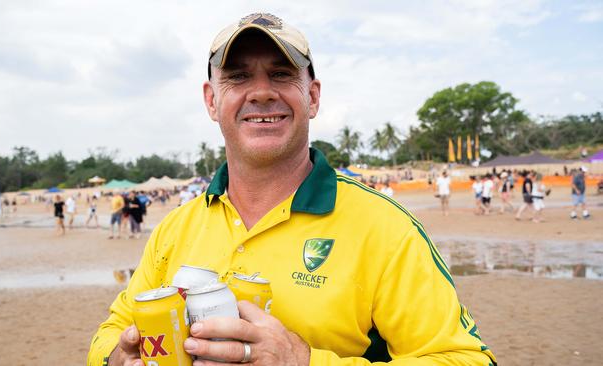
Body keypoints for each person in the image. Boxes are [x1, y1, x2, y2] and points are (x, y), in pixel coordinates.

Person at [88, 13, 495, 366]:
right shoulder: (176, 228)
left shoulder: (385, 229)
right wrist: (118, 356)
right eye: (239, 76)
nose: (262, 91)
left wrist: (302, 360)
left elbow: (467, 358)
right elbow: (110, 333)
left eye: (282, 75)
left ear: (312, 96)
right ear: (212, 101)